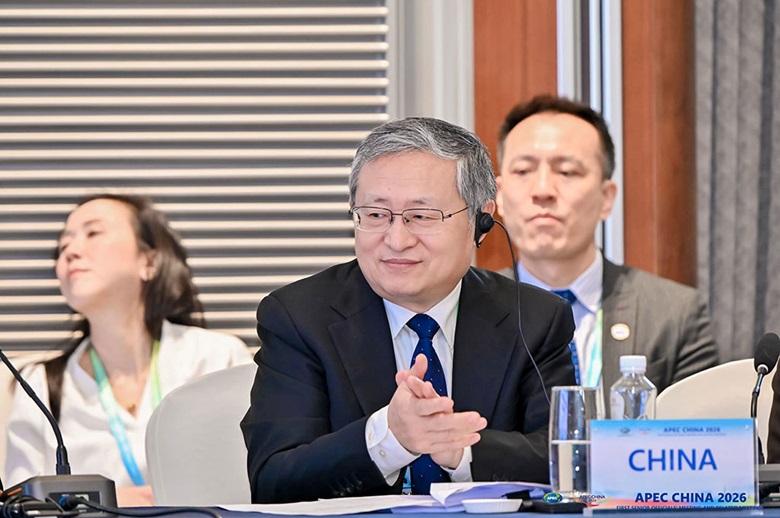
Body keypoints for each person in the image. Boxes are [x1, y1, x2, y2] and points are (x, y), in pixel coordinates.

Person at [241, 117, 576, 503]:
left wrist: (462, 451)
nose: (397, 240)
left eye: (421, 216)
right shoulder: (298, 317)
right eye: (375, 214)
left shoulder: (535, 319)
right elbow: (273, 480)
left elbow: (567, 461)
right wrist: (390, 437)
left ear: (481, 222)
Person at [4, 194, 252, 506]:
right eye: (63, 245)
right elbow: (20, 505)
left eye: (93, 233)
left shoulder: (217, 358)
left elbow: (252, 481)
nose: (71, 251)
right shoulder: (39, 385)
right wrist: (112, 501)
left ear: (149, 262)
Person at [494, 95, 719, 394]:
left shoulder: (675, 316)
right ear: (499, 195)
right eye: (523, 171)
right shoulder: (466, 311)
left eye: (567, 171)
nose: (543, 190)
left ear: (606, 197)